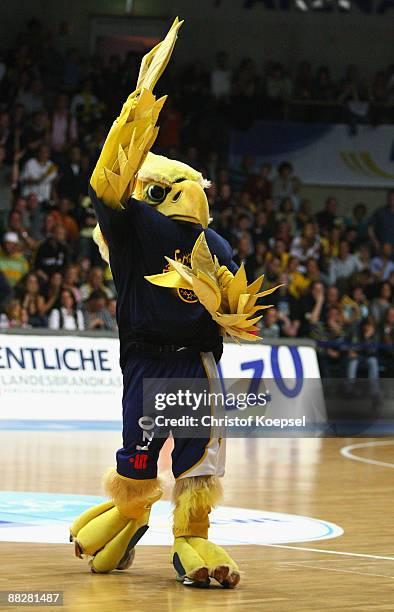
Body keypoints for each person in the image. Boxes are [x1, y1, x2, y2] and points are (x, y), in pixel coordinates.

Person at [70, 23, 272, 587]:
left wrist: (235, 313)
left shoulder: (212, 243)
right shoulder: (134, 225)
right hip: (146, 358)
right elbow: (106, 188)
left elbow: (237, 307)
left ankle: (190, 539)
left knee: (193, 458)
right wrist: (133, 116)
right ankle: (131, 516)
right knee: (143, 455)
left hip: (186, 360)